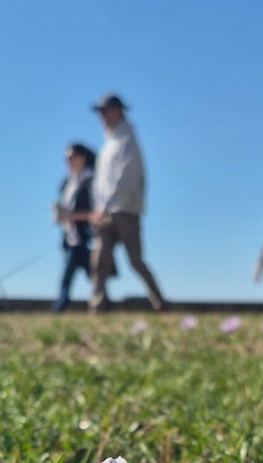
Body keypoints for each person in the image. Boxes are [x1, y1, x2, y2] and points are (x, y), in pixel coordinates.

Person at [87, 93, 166, 312]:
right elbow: (99, 182)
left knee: (135, 260)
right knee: (99, 259)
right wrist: (97, 208)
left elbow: (126, 177)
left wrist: (106, 204)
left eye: (105, 111)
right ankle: (98, 304)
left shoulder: (127, 139)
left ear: (117, 111)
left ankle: (159, 301)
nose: (101, 117)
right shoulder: (107, 144)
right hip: (104, 212)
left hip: (125, 210)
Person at [52, 143, 99, 312]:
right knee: (72, 275)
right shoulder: (67, 183)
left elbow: (96, 211)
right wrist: (59, 215)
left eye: (71, 157)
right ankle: (61, 306)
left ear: (82, 157)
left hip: (86, 236)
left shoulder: (91, 181)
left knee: (93, 275)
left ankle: (62, 307)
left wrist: (73, 216)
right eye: (66, 158)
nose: (68, 160)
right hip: (69, 236)